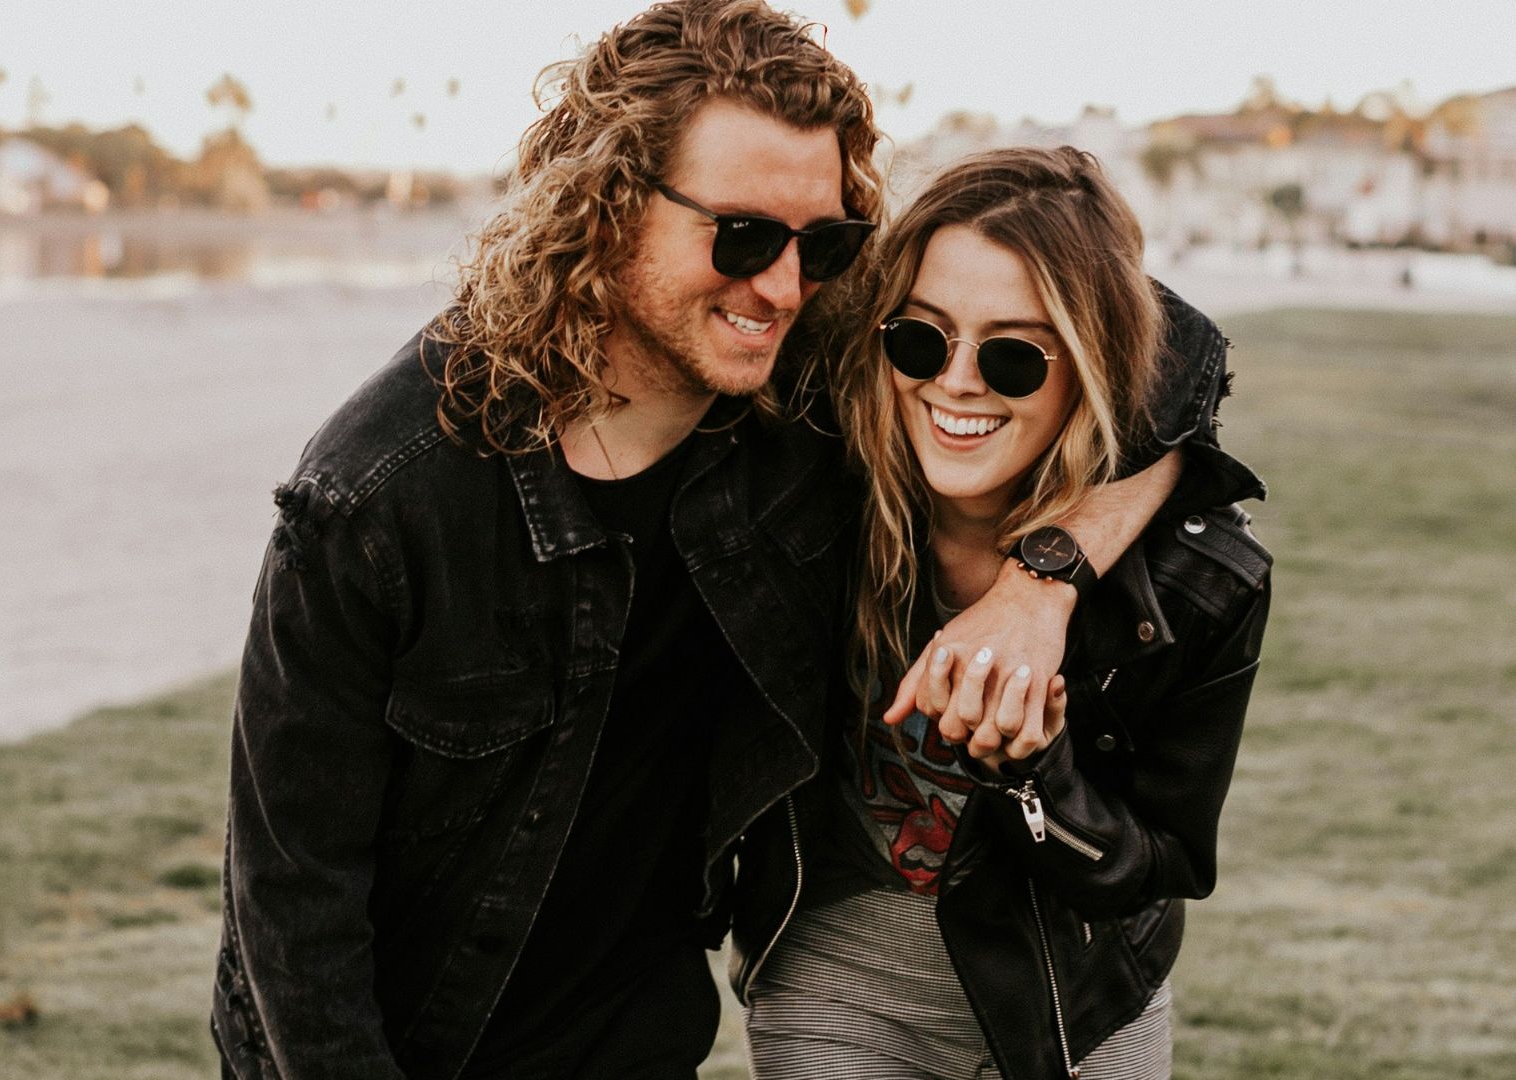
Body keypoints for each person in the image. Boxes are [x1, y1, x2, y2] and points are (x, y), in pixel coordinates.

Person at [210, 4, 1196, 1079]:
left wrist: (1039, 586)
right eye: (741, 236)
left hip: (634, 1046)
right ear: (607, 205)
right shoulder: (377, 498)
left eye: (821, 244)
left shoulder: (796, 399)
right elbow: (292, 904)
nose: (780, 286)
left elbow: (1175, 366)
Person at [732, 147, 1272, 1080]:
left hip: (1078, 1006)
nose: (957, 382)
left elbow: (1161, 864)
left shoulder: (1200, 582)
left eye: (1015, 354)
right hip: (839, 982)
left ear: (1092, 366)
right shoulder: (817, 484)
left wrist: (1033, 768)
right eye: (921, 338)